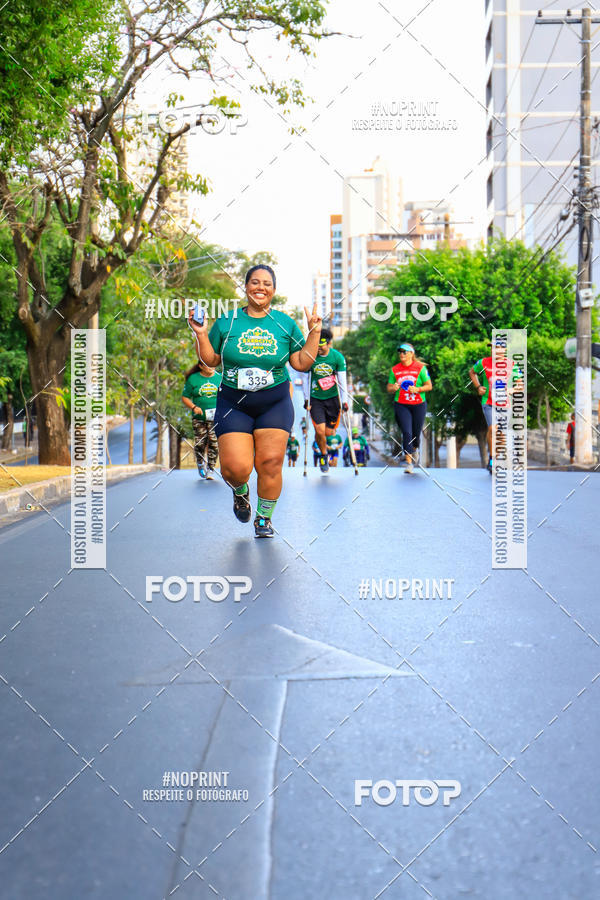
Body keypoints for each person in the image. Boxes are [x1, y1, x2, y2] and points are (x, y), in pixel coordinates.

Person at [188, 264, 322, 538]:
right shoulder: (228, 322)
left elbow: (302, 364)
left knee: (271, 462)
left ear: (274, 290)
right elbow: (210, 360)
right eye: (255, 282)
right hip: (234, 402)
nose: (261, 288)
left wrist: (315, 333)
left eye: (267, 284)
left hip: (274, 402)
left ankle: (264, 518)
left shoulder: (285, 323)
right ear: (246, 287)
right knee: (235, 468)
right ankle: (240, 491)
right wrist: (201, 333)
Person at [469, 338, 522, 474]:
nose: (495, 350)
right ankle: (492, 461)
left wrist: (512, 390)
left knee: (501, 435)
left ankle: (496, 458)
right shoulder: (484, 362)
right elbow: (472, 372)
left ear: (504, 350)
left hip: (505, 405)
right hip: (488, 402)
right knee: (493, 429)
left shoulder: (512, 365)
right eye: (492, 348)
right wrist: (478, 386)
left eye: (498, 348)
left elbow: (520, 384)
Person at [301, 326, 349, 473]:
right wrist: (306, 399)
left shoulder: (337, 357)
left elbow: (342, 380)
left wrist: (345, 400)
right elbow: (304, 378)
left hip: (333, 399)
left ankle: (321, 443)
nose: (319, 349)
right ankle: (323, 455)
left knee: (328, 433)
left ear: (329, 344)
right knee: (320, 431)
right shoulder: (311, 356)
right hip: (316, 399)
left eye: (321, 345)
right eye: (317, 345)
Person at [387, 342, 432, 473]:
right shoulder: (395, 369)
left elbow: (429, 386)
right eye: (400, 352)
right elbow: (389, 387)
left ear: (411, 354)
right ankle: (409, 463)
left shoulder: (420, 368)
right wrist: (393, 388)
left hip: (418, 404)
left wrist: (418, 389)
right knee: (407, 432)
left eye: (404, 352)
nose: (401, 354)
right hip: (401, 404)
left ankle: (414, 449)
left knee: (416, 434)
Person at [181, 362, 221, 479]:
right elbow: (185, 397)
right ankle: (200, 463)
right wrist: (194, 407)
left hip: (215, 417)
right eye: (208, 366)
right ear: (201, 366)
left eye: (213, 366)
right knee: (200, 443)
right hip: (199, 418)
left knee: (214, 442)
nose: (212, 368)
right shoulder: (193, 379)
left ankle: (211, 468)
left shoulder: (219, 378)